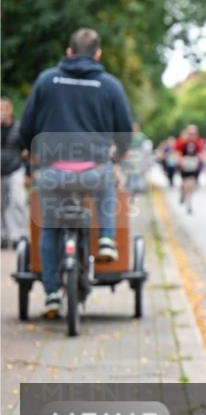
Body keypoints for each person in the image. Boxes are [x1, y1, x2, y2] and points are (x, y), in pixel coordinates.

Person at [18, 28, 132, 317]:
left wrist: (30, 151)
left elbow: (27, 126)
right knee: (107, 178)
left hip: (53, 173)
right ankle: (106, 238)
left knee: (50, 228)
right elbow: (124, 131)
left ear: (69, 52)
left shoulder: (46, 80)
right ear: (98, 54)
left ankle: (52, 295)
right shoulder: (110, 85)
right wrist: (118, 153)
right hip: (93, 170)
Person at [1, 96, 28, 249]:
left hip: (15, 169)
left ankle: (19, 236)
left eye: (4, 109)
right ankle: (3, 236)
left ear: (10, 110)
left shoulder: (19, 129)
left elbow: (27, 151)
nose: (2, 112)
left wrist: (28, 173)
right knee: (1, 205)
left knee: (18, 201)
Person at [175, 125, 205, 214]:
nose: (192, 136)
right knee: (185, 184)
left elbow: (201, 153)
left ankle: (189, 203)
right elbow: (177, 153)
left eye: (194, 134)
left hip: (194, 166)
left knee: (191, 185)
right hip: (184, 166)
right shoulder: (181, 142)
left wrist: (201, 159)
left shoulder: (198, 142)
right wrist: (181, 162)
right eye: (190, 134)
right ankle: (183, 193)